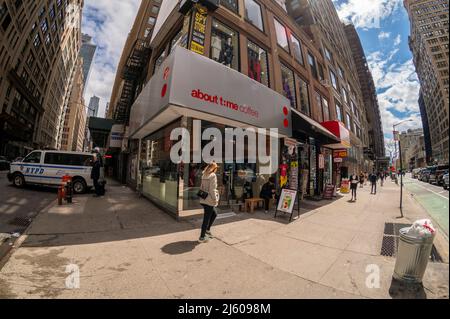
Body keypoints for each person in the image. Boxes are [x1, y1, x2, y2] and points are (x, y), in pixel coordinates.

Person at [198, 162, 220, 243]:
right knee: (206, 219)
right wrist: (215, 199)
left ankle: (207, 230)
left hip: (204, 199)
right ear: (214, 168)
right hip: (209, 200)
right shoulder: (213, 175)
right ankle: (202, 237)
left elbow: (201, 187)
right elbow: (212, 189)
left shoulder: (204, 174)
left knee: (214, 214)